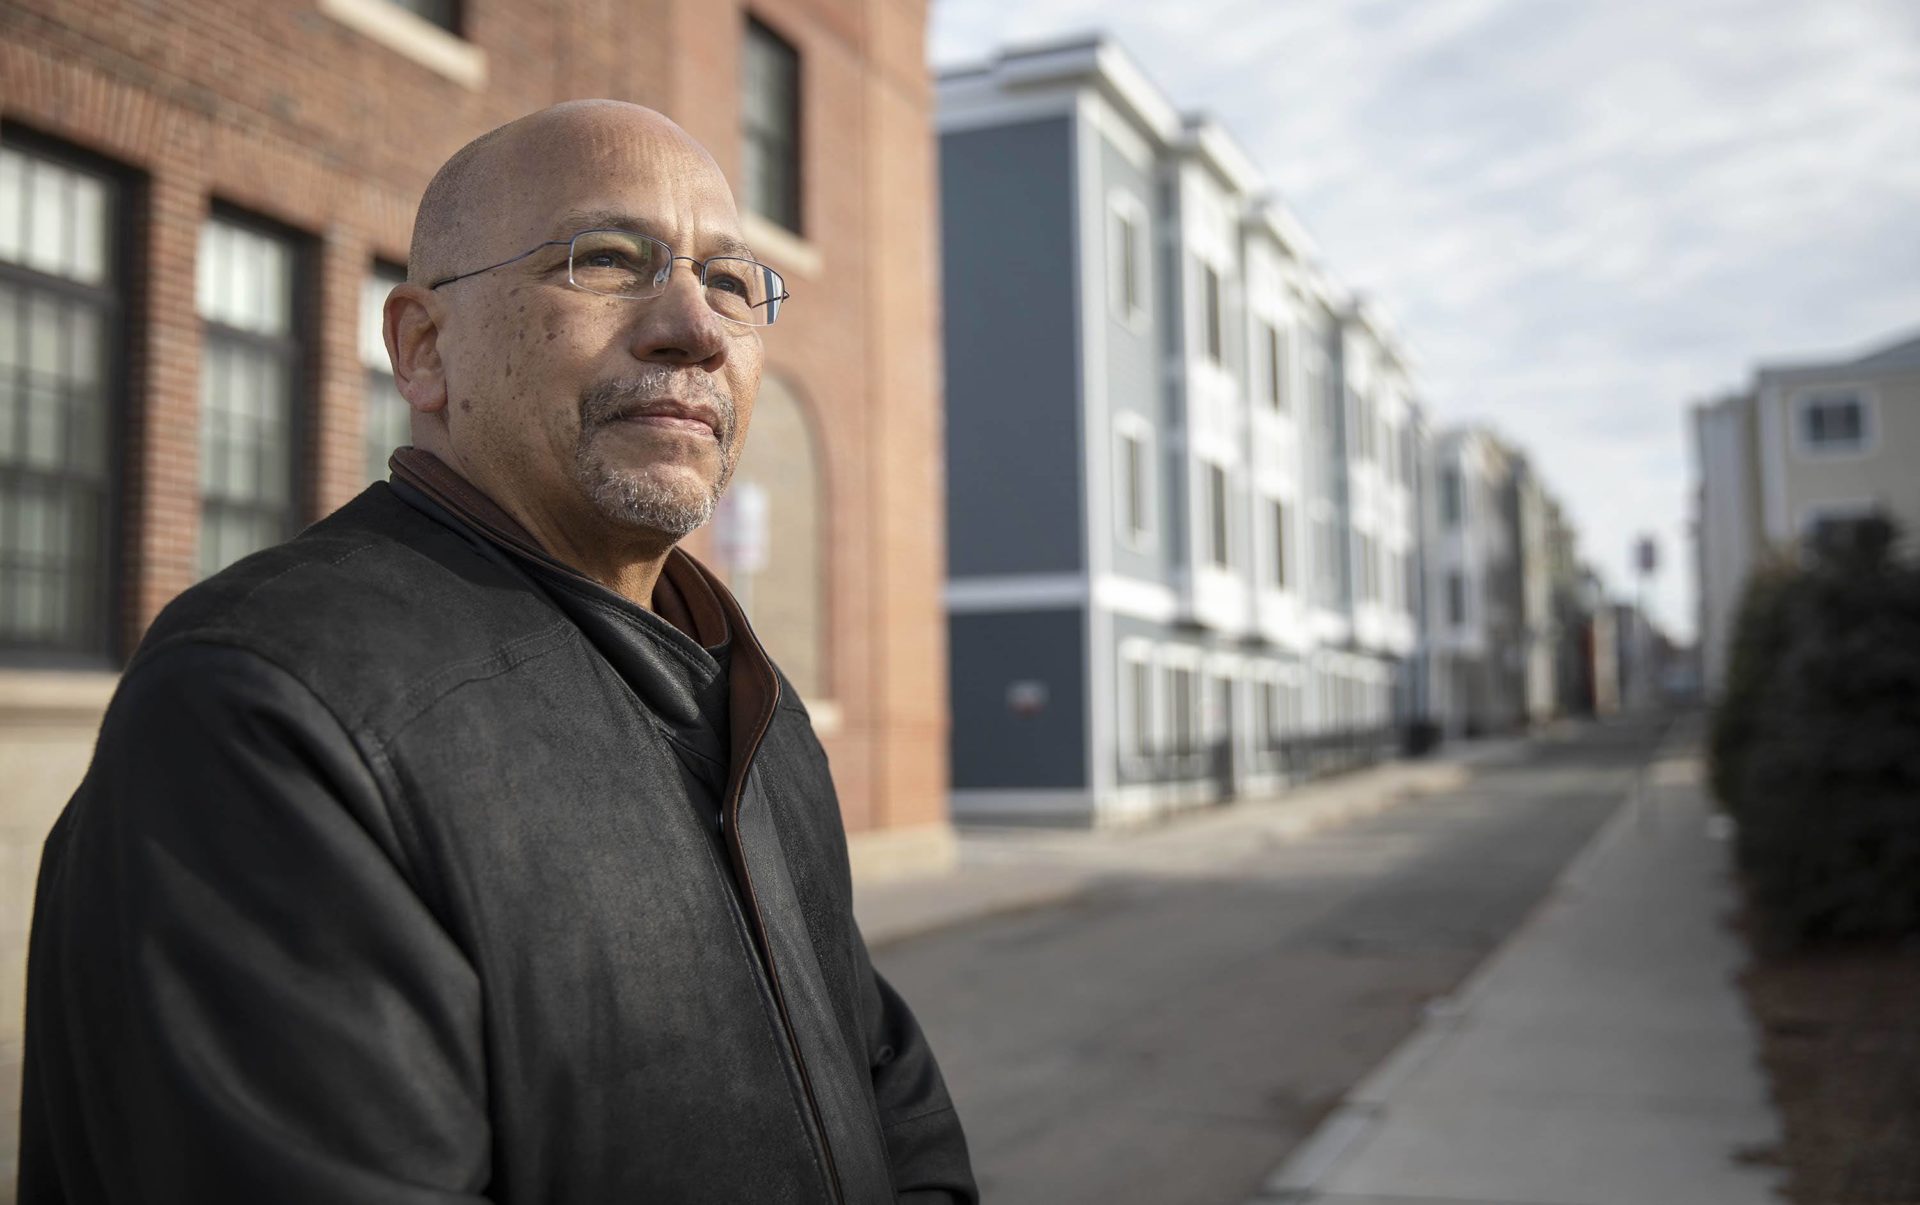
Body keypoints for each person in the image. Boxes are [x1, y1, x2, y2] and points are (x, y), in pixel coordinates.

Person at [18, 100, 976, 1205]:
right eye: (608, 258)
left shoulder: (754, 704)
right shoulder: (267, 707)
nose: (694, 326)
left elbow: (891, 1103)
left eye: (727, 281)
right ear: (424, 348)